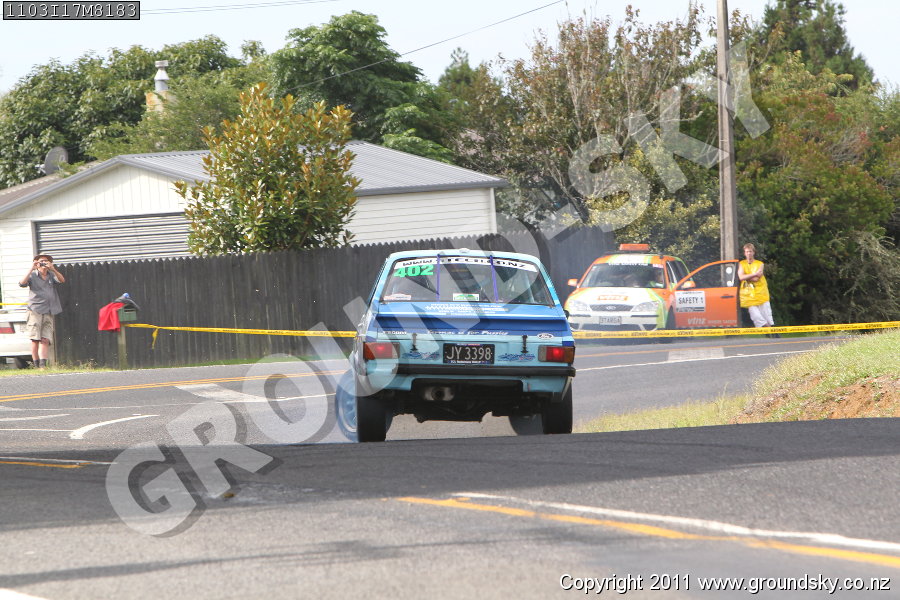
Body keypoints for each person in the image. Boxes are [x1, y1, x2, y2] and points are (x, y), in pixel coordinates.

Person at [19, 254, 66, 368]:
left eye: (46, 261)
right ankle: (36, 364)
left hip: (49, 310)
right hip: (35, 311)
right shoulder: (32, 275)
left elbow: (62, 280)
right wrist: (31, 268)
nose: (43, 263)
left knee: (45, 339)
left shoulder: (51, 275)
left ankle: (43, 365)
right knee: (35, 339)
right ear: (36, 263)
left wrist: (53, 269)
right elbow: (22, 283)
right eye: (41, 261)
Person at [737, 243, 777, 336]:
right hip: (748, 295)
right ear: (744, 253)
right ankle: (769, 330)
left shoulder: (760, 264)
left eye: (750, 251)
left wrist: (747, 276)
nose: (749, 253)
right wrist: (754, 274)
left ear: (753, 252)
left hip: (761, 292)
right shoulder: (741, 264)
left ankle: (774, 333)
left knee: (767, 314)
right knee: (755, 315)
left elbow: (756, 279)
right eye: (747, 252)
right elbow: (741, 277)